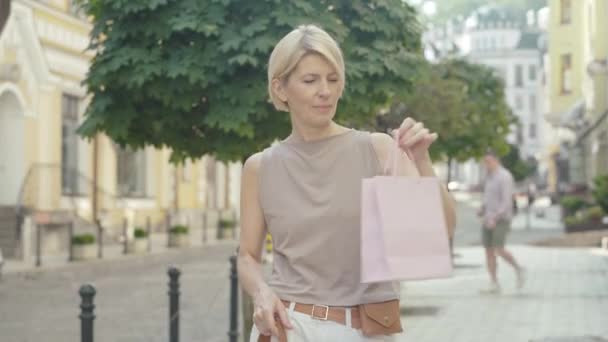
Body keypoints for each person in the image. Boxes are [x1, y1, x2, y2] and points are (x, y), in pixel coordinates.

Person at [238, 24, 457, 342]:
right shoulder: (260, 167)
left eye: (333, 78)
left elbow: (442, 230)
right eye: (310, 80)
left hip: (364, 330)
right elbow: (247, 255)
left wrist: (422, 162)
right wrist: (261, 292)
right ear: (281, 88)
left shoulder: (376, 149)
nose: (325, 90)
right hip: (289, 327)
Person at [478, 151, 525, 294]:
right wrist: (482, 209)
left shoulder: (505, 177)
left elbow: (506, 202)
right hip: (487, 218)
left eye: (489, 161)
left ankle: (518, 268)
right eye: (484, 162)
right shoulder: (488, 177)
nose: (486, 165)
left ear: (496, 161)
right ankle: (494, 283)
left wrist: (495, 218)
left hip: (501, 219)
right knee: (488, 251)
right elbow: (488, 197)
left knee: (499, 248)